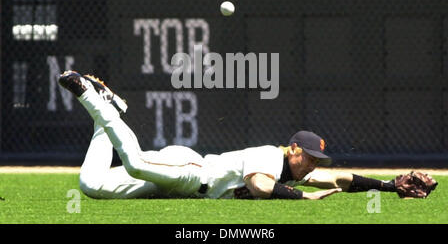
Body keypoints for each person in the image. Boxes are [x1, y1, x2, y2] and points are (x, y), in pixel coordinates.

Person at [58, 71, 428, 200]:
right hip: (188, 172)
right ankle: (87, 92)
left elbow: (339, 179)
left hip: (177, 185)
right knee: (136, 164)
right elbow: (258, 185)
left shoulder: (290, 168)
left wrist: (389, 186)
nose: (312, 165)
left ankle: (107, 114)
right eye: (310, 158)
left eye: (316, 162)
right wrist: (304, 198)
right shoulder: (272, 157)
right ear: (293, 148)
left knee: (91, 185)